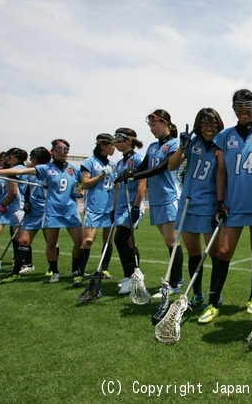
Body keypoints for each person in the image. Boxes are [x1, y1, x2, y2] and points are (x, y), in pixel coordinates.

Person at [199, 89, 252, 324]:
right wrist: (220, 201)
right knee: (223, 252)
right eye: (238, 106)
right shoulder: (225, 136)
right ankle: (213, 303)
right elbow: (221, 171)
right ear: (233, 109)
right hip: (233, 205)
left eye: (248, 106)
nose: (243, 111)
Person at [0, 139, 83, 284]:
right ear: (52, 151)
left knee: (79, 241)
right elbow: (19, 170)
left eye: (66, 149)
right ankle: (54, 271)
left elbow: (86, 180)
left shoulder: (73, 168)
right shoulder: (45, 168)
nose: (63, 151)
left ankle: (75, 270)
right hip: (52, 211)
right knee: (51, 243)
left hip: (70, 211)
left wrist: (82, 192)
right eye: (59, 148)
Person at [114, 110, 182, 296]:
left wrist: (135, 175)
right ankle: (176, 280)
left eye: (154, 125)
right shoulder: (152, 147)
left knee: (172, 242)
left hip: (170, 197)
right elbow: (143, 166)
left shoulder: (175, 144)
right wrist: (129, 172)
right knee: (169, 241)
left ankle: (175, 284)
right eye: (150, 126)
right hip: (157, 200)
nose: (152, 129)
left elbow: (162, 167)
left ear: (165, 123)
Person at [168, 108, 225, 308]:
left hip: (209, 204)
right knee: (193, 251)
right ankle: (198, 293)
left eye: (213, 124)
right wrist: (181, 147)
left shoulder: (222, 144)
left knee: (215, 252)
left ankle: (215, 293)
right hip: (188, 203)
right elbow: (172, 166)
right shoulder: (192, 143)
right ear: (198, 126)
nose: (209, 128)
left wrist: (220, 203)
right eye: (204, 124)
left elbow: (222, 177)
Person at [0, 147, 52, 282]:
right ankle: (16, 272)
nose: (30, 159)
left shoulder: (48, 171)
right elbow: (18, 170)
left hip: (47, 212)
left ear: (36, 158)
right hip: (32, 212)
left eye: (32, 156)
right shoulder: (29, 171)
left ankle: (53, 269)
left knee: (50, 242)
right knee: (23, 240)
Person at [75, 133, 116, 287]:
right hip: (94, 207)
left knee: (108, 240)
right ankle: (80, 273)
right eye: (111, 144)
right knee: (88, 241)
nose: (114, 147)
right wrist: (100, 176)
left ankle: (103, 269)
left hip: (110, 207)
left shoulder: (113, 164)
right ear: (102, 146)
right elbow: (85, 183)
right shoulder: (89, 162)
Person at [111, 128, 147, 294]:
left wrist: (136, 206)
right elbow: (117, 187)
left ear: (129, 140)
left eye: (119, 138)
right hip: (120, 207)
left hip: (132, 205)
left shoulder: (139, 159)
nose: (115, 142)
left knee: (120, 238)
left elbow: (142, 185)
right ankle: (136, 276)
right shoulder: (119, 163)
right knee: (128, 242)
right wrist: (113, 208)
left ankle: (128, 276)